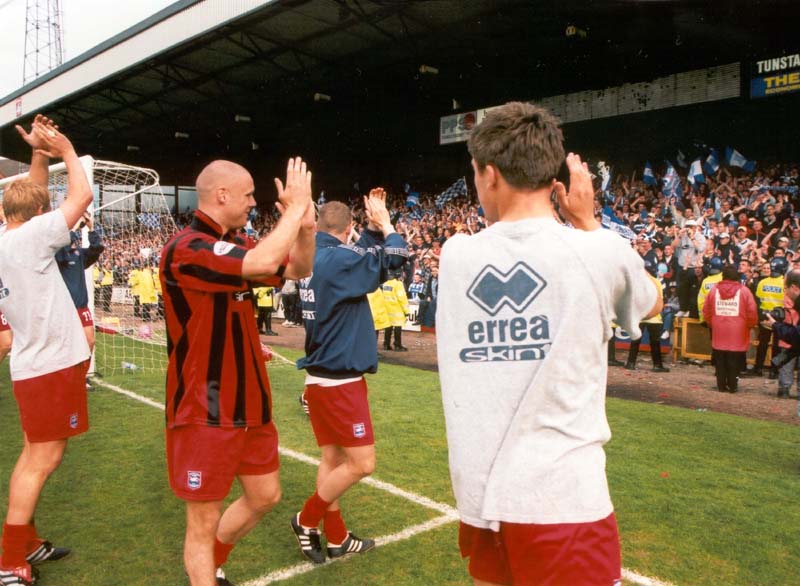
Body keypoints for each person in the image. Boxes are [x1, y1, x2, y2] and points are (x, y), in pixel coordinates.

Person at [435, 102, 662, 586]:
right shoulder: (597, 253)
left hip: (481, 501)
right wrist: (589, 222)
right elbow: (651, 298)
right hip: (563, 500)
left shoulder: (455, 256)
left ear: (490, 176)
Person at [160, 158, 315, 586]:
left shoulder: (239, 242)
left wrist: (305, 227)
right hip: (204, 407)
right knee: (203, 521)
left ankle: (213, 566)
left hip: (251, 405)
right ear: (221, 195)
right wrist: (296, 208)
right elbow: (259, 260)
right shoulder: (186, 247)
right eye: (247, 194)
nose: (254, 202)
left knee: (265, 496)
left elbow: (299, 269)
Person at [0, 116, 94, 586]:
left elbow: (33, 196)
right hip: (48, 365)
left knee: (33, 456)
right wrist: (68, 151)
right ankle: (8, 561)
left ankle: (26, 543)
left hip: (35, 364)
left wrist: (39, 155)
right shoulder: (32, 238)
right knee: (41, 461)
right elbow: (81, 198)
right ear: (38, 215)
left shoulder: (8, 237)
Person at [291, 190, 408, 564]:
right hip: (341, 381)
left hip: (320, 377)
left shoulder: (316, 256)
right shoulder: (340, 259)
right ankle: (306, 519)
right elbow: (394, 259)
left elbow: (362, 256)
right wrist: (387, 225)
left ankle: (338, 538)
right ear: (348, 230)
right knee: (361, 464)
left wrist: (371, 231)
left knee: (333, 459)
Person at [702, 265, 758, 393]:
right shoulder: (744, 291)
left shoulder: (714, 290)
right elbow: (752, 311)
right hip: (738, 330)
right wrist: (750, 325)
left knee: (720, 359)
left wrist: (712, 324)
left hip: (719, 329)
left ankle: (721, 385)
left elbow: (706, 310)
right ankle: (733, 385)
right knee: (735, 359)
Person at [55, 211, 105, 352]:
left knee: (89, 342)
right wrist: (74, 227)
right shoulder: (59, 254)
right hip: (64, 308)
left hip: (81, 307)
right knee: (65, 346)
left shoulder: (79, 254)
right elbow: (61, 250)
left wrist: (91, 228)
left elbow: (97, 249)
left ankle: (80, 373)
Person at [762, 269, 800, 416]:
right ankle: (784, 389)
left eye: (785, 287)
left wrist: (775, 325)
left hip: (790, 337)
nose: (784, 291)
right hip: (788, 340)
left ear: (794, 287)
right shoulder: (786, 301)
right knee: (786, 366)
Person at [752, 256, 787, 376]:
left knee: (762, 344)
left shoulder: (762, 282)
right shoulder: (785, 283)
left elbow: (758, 300)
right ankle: (774, 370)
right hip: (779, 319)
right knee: (777, 346)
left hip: (764, 317)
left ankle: (758, 368)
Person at [381, 269, 410, 351]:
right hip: (397, 309)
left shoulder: (385, 284)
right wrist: (406, 311)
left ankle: (386, 344)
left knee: (388, 327)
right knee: (397, 327)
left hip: (387, 309)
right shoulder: (398, 284)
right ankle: (397, 345)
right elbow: (402, 298)